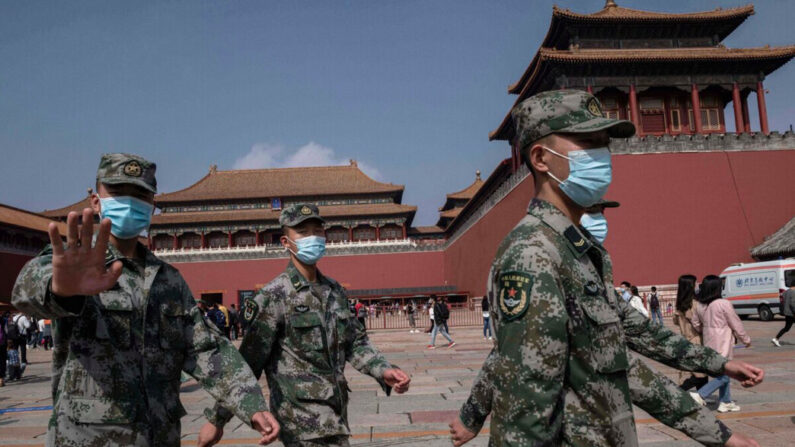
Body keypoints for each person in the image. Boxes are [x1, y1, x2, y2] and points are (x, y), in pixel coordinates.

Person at [450, 90, 763, 447]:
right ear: (540, 157)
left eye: (604, 144)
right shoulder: (533, 255)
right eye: (588, 143)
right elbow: (525, 409)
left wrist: (717, 379)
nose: (603, 156)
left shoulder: (578, 253)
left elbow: (626, 355)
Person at [12, 153, 278, 446]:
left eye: (139, 195)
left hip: (160, 434)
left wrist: (251, 405)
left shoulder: (169, 280)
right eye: (118, 192)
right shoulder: (78, 262)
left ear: (152, 206)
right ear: (96, 202)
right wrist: (61, 290)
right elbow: (26, 290)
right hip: (88, 437)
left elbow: (206, 349)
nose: (128, 202)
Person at [199, 204, 410, 447]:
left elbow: (355, 342)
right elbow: (248, 362)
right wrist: (217, 419)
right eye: (303, 232)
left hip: (336, 416)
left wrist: (383, 370)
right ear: (286, 242)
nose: (313, 237)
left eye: (317, 231)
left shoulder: (334, 291)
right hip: (299, 424)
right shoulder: (274, 296)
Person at [692, 275, 752, 413]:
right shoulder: (723, 303)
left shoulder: (700, 305)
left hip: (708, 340)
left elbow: (695, 323)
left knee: (724, 371)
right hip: (722, 341)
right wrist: (745, 339)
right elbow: (735, 323)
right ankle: (701, 394)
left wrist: (706, 330)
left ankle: (725, 401)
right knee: (726, 374)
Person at [673, 274, 709, 392]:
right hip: (696, 339)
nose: (697, 285)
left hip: (685, 339)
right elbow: (700, 323)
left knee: (698, 370)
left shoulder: (679, 304)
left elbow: (676, 322)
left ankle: (702, 394)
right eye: (695, 283)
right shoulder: (694, 304)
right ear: (690, 286)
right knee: (700, 372)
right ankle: (680, 390)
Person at [772, 281, 795, 347]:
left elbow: (782, 302)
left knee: (786, 328)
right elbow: (793, 304)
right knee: (786, 328)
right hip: (792, 313)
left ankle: (776, 338)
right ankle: (776, 338)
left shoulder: (785, 292)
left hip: (787, 313)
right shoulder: (793, 292)